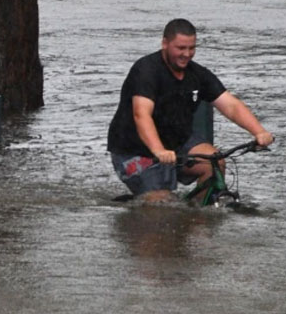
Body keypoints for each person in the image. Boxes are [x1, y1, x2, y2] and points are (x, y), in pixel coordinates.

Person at [107, 19, 274, 202]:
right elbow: (141, 114)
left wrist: (259, 131)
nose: (187, 54)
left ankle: (199, 217)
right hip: (136, 150)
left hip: (177, 141)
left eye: (191, 48)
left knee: (214, 162)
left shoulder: (197, 74)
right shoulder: (146, 71)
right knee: (162, 205)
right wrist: (159, 150)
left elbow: (230, 105)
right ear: (165, 43)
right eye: (180, 48)